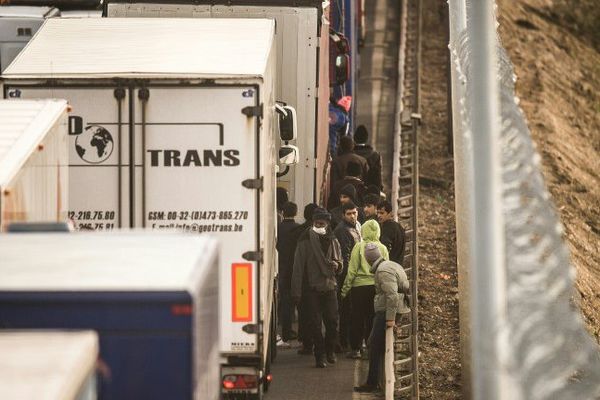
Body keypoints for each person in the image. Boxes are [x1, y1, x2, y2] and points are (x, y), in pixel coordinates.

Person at [354, 243, 410, 393]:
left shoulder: (382, 271)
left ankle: (373, 383)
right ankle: (381, 382)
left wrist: (390, 318)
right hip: (396, 309)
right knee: (380, 345)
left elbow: (391, 295)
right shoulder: (392, 265)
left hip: (386, 312)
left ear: (368, 260)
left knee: (374, 344)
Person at [292, 207, 343, 368]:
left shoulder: (333, 239)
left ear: (327, 224)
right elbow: (298, 267)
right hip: (311, 289)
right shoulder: (305, 240)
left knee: (332, 322)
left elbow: (340, 261)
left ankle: (330, 351)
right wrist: (296, 292)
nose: (319, 225)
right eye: (316, 223)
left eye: (322, 223)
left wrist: (338, 265)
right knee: (315, 324)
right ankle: (319, 355)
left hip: (329, 287)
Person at [341, 219, 389, 358]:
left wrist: (344, 290)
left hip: (358, 289)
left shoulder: (359, 247)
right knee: (372, 319)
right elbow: (385, 270)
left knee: (357, 319)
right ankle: (370, 350)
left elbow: (352, 271)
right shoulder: (383, 248)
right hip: (375, 288)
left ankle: (355, 349)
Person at [333, 201, 362, 352]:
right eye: (349, 214)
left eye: (354, 213)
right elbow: (345, 257)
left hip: (354, 275)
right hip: (347, 277)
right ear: (343, 215)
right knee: (346, 311)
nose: (352, 216)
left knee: (349, 311)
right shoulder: (342, 230)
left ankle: (346, 341)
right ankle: (344, 342)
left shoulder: (356, 226)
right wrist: (349, 279)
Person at [294, 203, 319, 355]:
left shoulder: (298, 232)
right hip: (320, 280)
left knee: (304, 313)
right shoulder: (327, 232)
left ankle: (307, 343)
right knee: (318, 313)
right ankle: (320, 343)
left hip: (304, 279)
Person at [276, 201, 300, 344]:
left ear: (283, 213)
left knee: (285, 301)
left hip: (282, 267)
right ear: (296, 213)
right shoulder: (298, 229)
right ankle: (296, 331)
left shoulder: (278, 228)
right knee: (297, 301)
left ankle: (285, 331)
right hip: (295, 269)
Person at [353, 125, 383, 190]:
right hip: (368, 191)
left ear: (354, 138)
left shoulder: (349, 154)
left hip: (352, 189)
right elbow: (378, 177)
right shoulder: (375, 155)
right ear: (366, 139)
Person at [377, 200, 407, 264]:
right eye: (378, 213)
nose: (379, 216)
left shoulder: (388, 228)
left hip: (389, 265)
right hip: (398, 265)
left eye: (382, 213)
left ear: (390, 214)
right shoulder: (399, 226)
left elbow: (385, 249)